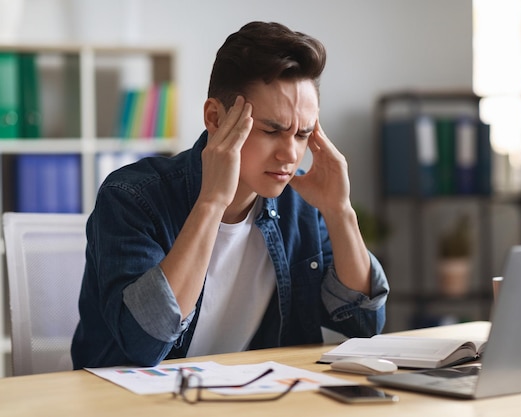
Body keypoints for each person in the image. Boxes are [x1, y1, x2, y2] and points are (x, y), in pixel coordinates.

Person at [71, 21, 389, 369]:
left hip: (253, 397)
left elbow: (362, 326)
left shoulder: (301, 203)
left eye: (303, 134)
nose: (289, 154)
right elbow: (143, 345)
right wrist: (211, 203)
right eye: (272, 130)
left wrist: (339, 211)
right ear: (215, 118)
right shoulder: (131, 197)